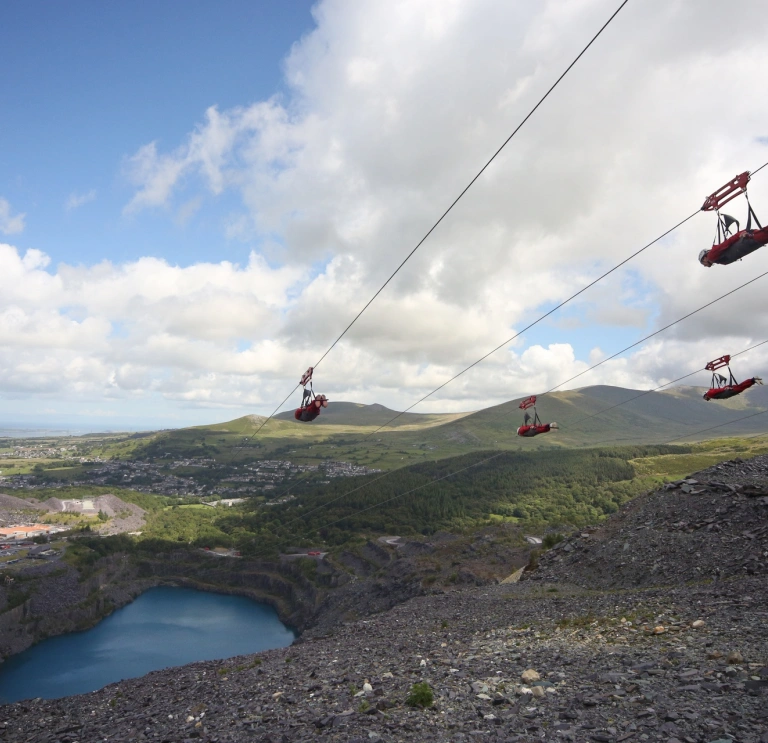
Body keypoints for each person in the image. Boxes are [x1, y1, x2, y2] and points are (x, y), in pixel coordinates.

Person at [699, 223, 768, 267]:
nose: (704, 266)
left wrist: (740, 234)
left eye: (703, 263)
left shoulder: (711, 255)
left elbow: (727, 242)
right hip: (750, 243)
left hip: (748, 240)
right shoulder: (719, 260)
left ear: (705, 258)